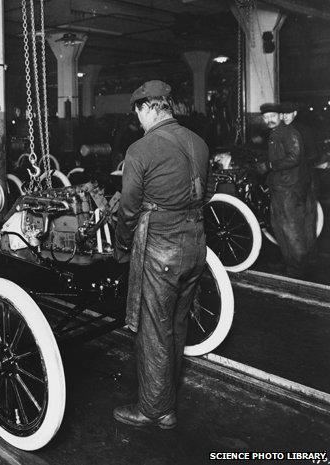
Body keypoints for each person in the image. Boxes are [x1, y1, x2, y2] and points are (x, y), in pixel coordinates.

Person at [113, 80, 209, 429]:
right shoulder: (198, 142)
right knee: (176, 325)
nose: (137, 120)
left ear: (147, 107)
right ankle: (166, 403)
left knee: (154, 328)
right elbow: (204, 193)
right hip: (196, 244)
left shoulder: (140, 149)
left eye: (138, 112)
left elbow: (128, 209)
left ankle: (154, 410)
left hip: (161, 248)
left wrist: (123, 245)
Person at [261, 103, 317, 278]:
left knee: (288, 227)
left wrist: (270, 165)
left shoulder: (287, 132)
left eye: (272, 116)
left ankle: (295, 267)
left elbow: (295, 156)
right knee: (298, 226)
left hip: (286, 187)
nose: (269, 119)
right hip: (290, 184)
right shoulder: (277, 133)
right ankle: (297, 261)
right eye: (265, 117)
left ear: (280, 116)